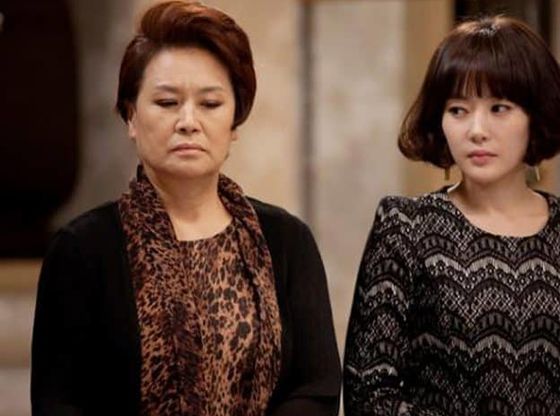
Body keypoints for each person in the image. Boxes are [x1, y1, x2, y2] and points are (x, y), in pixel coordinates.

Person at [31, 2, 341, 415]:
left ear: (234, 123)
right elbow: (58, 402)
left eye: (210, 104)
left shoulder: (286, 240)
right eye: (167, 102)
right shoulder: (81, 249)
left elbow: (317, 388)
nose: (188, 122)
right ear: (131, 116)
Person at [343, 15, 560, 416]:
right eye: (458, 110)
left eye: (499, 108)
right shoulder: (405, 227)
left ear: (535, 115)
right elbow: (368, 394)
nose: (477, 130)